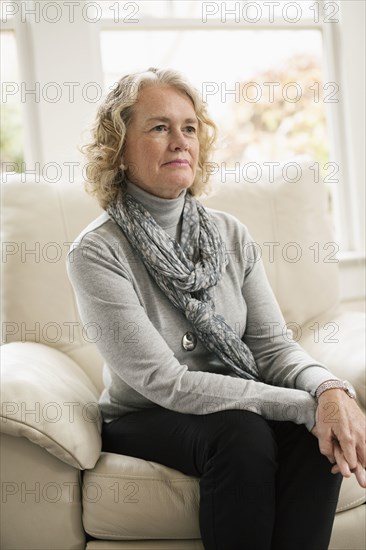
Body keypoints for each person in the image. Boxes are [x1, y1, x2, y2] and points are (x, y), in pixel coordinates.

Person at [67, 67, 365, 550]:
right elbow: (166, 382)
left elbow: (271, 348)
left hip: (234, 405)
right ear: (119, 148)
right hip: (146, 413)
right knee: (242, 432)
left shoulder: (230, 235)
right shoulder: (97, 252)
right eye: (159, 127)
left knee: (314, 440)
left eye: (189, 128)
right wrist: (301, 406)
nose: (179, 141)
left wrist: (330, 392)